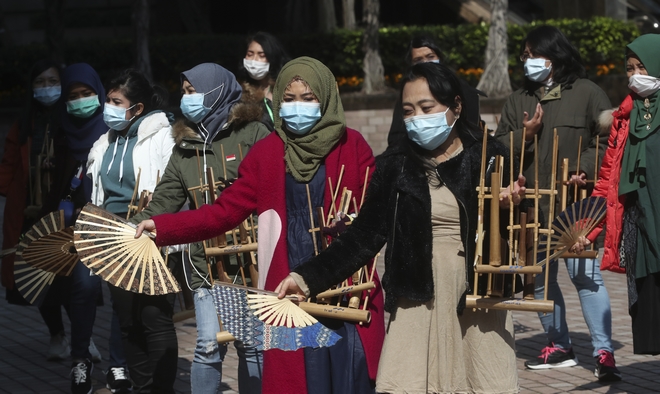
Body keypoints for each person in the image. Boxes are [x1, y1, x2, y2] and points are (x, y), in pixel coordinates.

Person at [135, 57, 385, 394]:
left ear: (326, 99)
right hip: (286, 286)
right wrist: (162, 227)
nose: (298, 107)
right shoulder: (267, 152)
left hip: (344, 284)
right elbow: (221, 213)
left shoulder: (352, 146)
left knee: (347, 375)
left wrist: (347, 221)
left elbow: (371, 215)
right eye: (290, 99)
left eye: (308, 99)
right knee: (298, 375)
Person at [275, 62, 524, 393]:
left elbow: (519, 233)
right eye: (408, 111)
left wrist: (510, 205)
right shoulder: (395, 165)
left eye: (427, 107)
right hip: (418, 295)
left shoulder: (490, 156)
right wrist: (304, 278)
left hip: (477, 293)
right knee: (407, 383)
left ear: (456, 106)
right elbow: (362, 237)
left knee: (481, 382)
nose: (417, 118)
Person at [130, 63, 270, 394]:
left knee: (251, 346)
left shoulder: (254, 134)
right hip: (203, 263)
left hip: (251, 261)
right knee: (208, 344)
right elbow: (164, 202)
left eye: (193, 91)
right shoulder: (185, 147)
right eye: (184, 92)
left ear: (217, 91)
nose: (186, 98)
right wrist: (130, 230)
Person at [494, 26, 620, 381]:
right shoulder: (519, 99)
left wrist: (585, 169)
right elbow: (499, 147)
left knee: (585, 275)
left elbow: (610, 139)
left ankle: (604, 351)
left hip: (574, 204)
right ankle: (558, 344)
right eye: (524, 55)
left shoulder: (587, 93)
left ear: (554, 55)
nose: (527, 62)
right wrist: (526, 135)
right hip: (531, 206)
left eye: (532, 54)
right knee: (537, 280)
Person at [86, 69, 177, 393]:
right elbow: (99, 195)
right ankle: (142, 387)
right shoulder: (104, 141)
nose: (107, 107)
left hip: (148, 236)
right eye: (107, 100)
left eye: (115, 102)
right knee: (127, 322)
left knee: (154, 318)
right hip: (112, 242)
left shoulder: (162, 137)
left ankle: (162, 389)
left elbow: (173, 188)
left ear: (137, 108)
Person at [571, 34, 660, 357]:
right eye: (630, 69)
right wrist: (588, 229)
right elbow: (607, 183)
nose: (636, 75)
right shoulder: (623, 120)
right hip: (643, 232)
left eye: (643, 67)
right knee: (653, 312)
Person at [38, 62, 108, 394]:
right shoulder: (62, 132)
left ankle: (121, 365)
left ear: (100, 93)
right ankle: (80, 361)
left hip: (121, 224)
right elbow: (67, 184)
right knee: (83, 288)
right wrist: (67, 204)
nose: (80, 101)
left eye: (87, 93)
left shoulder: (113, 128)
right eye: (74, 95)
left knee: (126, 297)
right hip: (83, 228)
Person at [387, 35, 485, 146]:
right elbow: (396, 139)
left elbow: (473, 127)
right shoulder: (407, 94)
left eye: (430, 57)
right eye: (418, 60)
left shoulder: (462, 90)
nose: (426, 63)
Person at [237, 31, 291, 131]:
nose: (254, 60)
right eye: (250, 54)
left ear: (272, 58)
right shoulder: (239, 92)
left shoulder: (287, 89)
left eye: (261, 55)